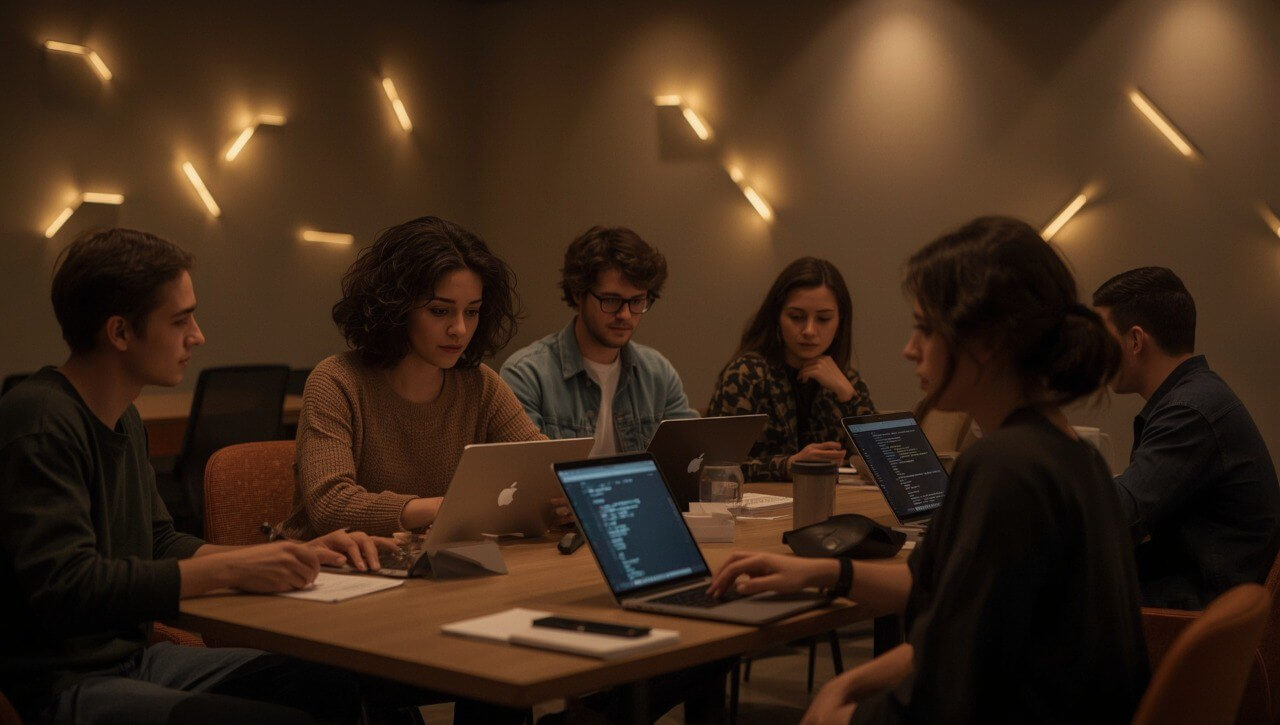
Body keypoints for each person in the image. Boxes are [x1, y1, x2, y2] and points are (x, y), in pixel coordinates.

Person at [708, 217, 1149, 723]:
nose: (909, 349)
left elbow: (941, 698)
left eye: (924, 328)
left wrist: (835, 712)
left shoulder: (1004, 469)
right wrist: (821, 573)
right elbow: (942, 598)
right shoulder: (1075, 456)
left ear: (987, 342)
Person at [0, 228, 392, 724]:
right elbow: (68, 586)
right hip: (59, 686)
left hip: (133, 661)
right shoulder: (39, 422)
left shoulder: (124, 417)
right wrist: (230, 571)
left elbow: (158, 541)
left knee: (329, 685)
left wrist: (280, 556)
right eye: (181, 319)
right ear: (119, 332)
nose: (198, 335)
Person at [281, 215, 549, 539]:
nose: (459, 329)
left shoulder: (480, 384)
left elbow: (542, 467)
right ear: (394, 308)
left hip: (427, 565)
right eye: (439, 311)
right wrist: (445, 508)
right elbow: (331, 506)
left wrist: (557, 497)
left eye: (472, 311)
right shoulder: (337, 381)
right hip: (327, 573)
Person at [1093, 266, 1280, 609]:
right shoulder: (1195, 396)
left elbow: (1118, 515)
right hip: (1206, 594)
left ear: (1135, 340)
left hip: (1200, 610)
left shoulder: (1188, 411)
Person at [500, 226, 697, 457]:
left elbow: (691, 458)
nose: (625, 314)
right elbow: (527, 478)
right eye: (611, 300)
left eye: (637, 301)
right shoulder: (527, 374)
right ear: (578, 294)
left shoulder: (658, 373)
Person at [707, 257, 875, 481]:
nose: (809, 330)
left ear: (840, 321)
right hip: (759, 509)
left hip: (834, 503)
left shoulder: (846, 379)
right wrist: (788, 465)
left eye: (823, 319)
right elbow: (715, 466)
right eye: (796, 317)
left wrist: (848, 395)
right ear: (777, 317)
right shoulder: (746, 374)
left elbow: (884, 463)